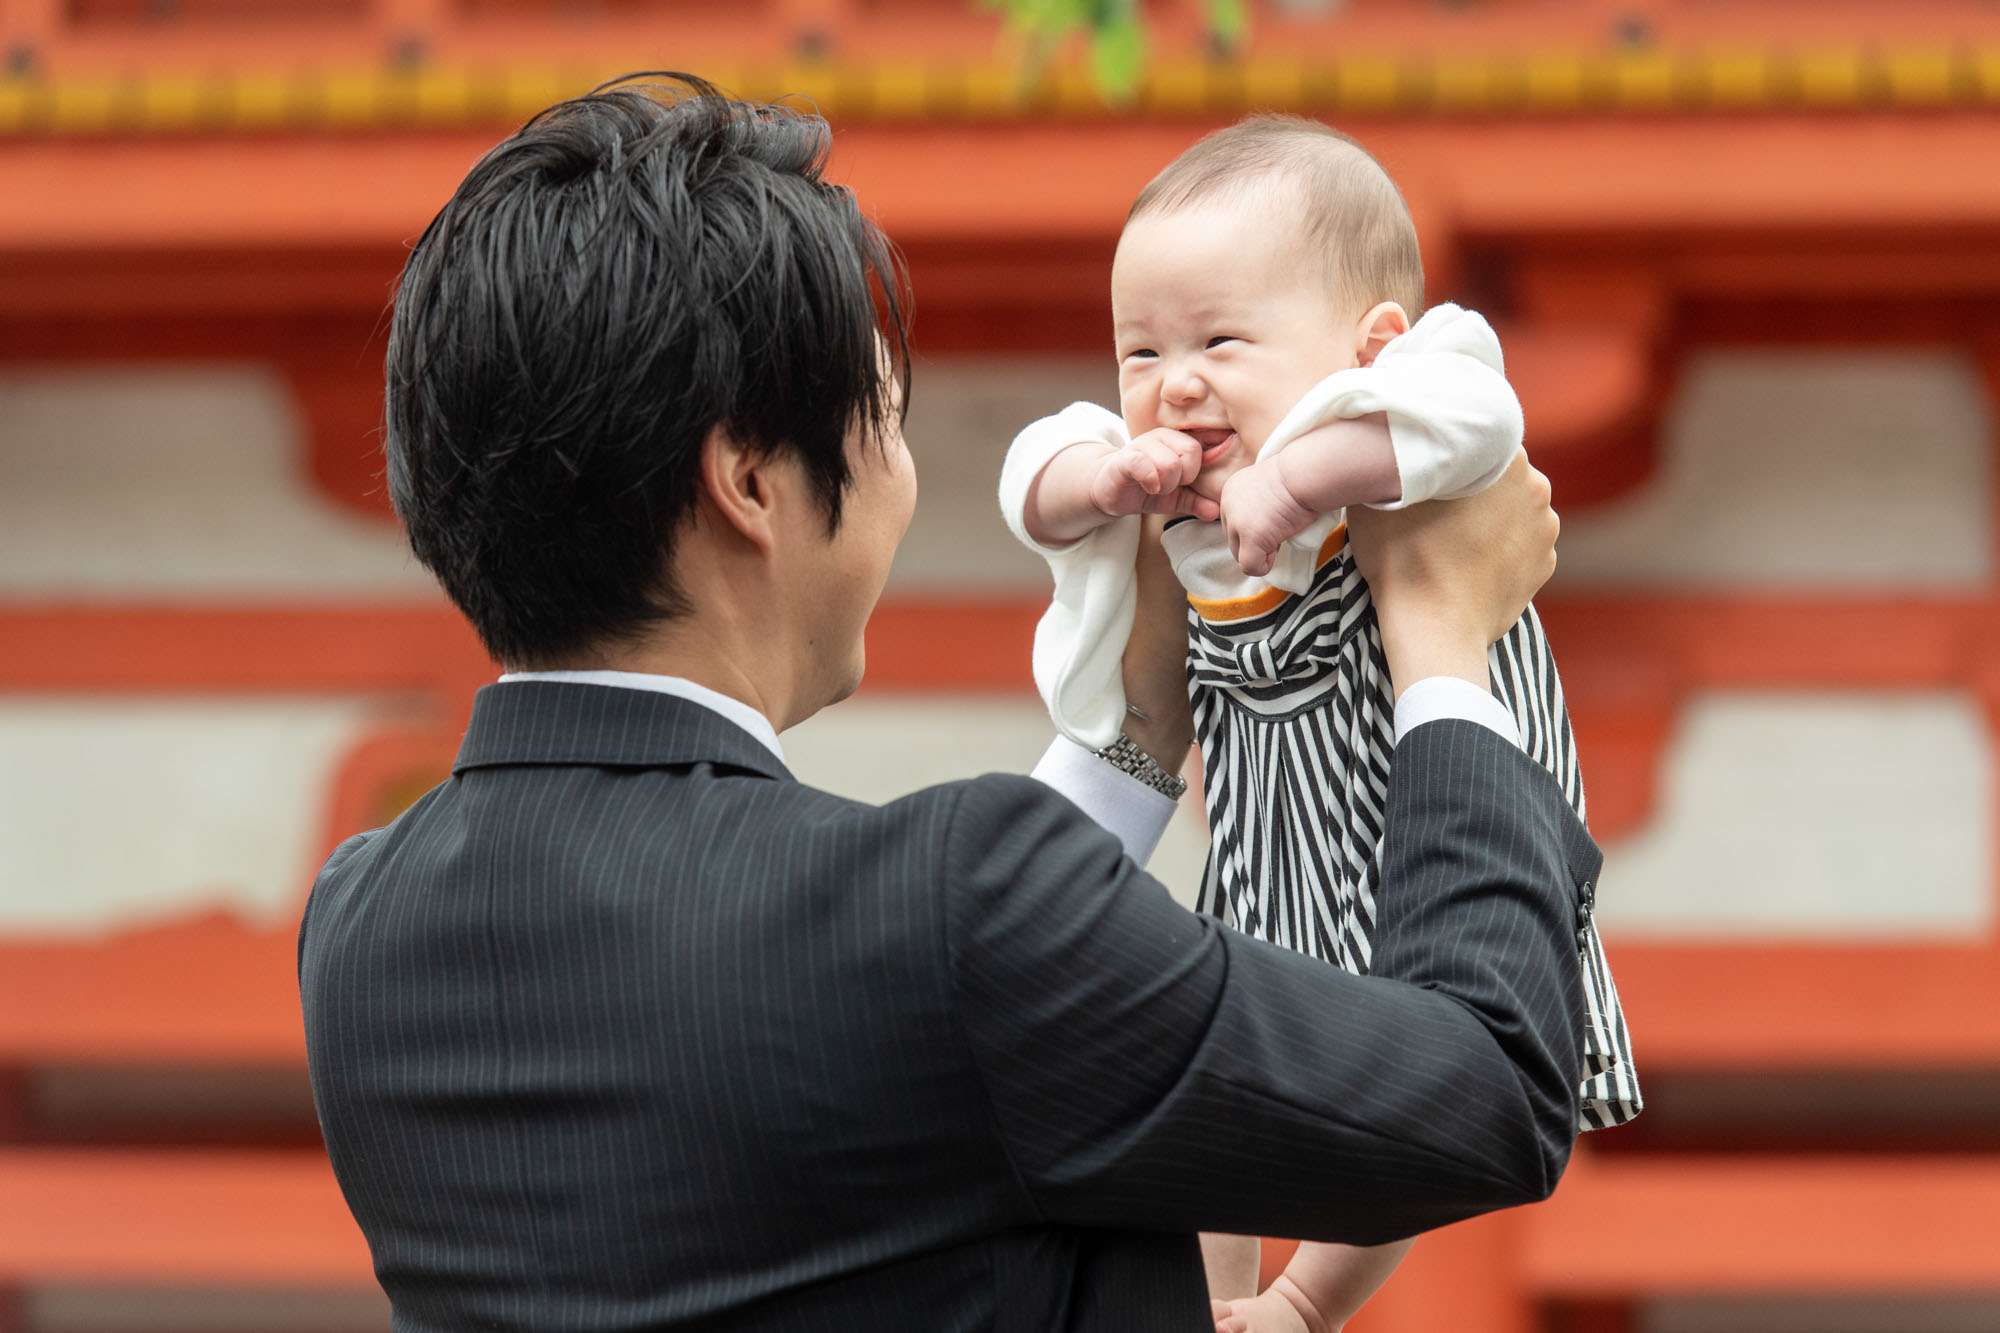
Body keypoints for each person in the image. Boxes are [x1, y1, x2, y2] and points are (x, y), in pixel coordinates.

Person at [297, 74, 1601, 1333]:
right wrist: (1445, 640)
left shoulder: (361, 928)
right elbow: (1486, 1091)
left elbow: (917, 1023)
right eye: (884, 420)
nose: (904, 480)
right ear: (751, 481)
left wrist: (1140, 736)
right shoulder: (957, 909)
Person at [998, 116, 1641, 1332]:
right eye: (1140, 347)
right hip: (1265, 827)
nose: (1173, 382)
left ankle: (1303, 1300)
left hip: (1413, 814)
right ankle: (1215, 1295)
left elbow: (1477, 414)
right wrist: (1094, 484)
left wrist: (1297, 479)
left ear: (1366, 344)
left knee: (1421, 1071)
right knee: (1206, 1068)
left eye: (1220, 340)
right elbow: (1035, 463)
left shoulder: (1400, 400)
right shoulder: (1157, 472)